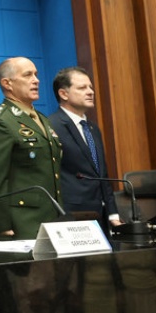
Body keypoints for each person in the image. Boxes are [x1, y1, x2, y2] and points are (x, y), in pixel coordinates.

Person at [0, 57, 63, 239]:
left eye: (36, 75)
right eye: (28, 75)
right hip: (22, 222)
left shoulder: (41, 119)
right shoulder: (0, 121)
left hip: (53, 219)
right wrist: (2, 226)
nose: (36, 80)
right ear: (7, 83)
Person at [47, 66, 121, 229]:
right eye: (82, 88)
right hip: (72, 215)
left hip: (101, 216)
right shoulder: (51, 126)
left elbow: (102, 174)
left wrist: (113, 212)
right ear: (63, 94)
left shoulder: (92, 128)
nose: (90, 92)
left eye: (90, 87)